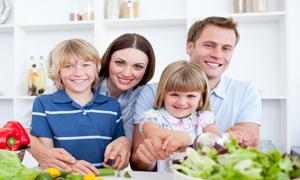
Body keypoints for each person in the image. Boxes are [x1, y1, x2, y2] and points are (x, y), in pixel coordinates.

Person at [131, 16, 262, 171]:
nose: (217, 55)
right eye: (209, 45)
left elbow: (237, 146)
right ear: (189, 47)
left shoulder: (244, 92)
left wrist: (234, 139)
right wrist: (149, 154)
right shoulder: (152, 94)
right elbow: (139, 159)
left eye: (226, 48)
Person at [26, 33, 156, 173]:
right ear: (106, 62)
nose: (126, 73)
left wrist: (124, 143)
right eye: (120, 63)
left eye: (138, 67)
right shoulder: (51, 97)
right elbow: (22, 129)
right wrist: (51, 158)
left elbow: (125, 147)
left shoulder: (132, 100)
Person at [139, 60, 220, 172]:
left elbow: (215, 139)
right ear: (163, 93)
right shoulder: (154, 116)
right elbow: (150, 132)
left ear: (202, 96)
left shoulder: (203, 118)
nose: (182, 102)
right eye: (174, 94)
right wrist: (178, 136)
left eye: (190, 96)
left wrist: (189, 140)